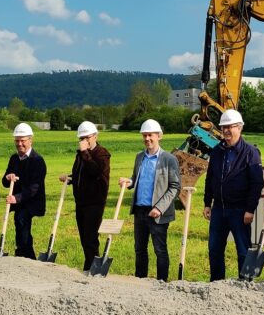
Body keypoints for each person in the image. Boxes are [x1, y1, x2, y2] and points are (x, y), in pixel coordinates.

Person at [203, 109, 264, 281]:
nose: (226, 131)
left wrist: (250, 209)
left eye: (230, 127)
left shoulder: (250, 152)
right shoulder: (216, 152)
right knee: (214, 249)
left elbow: (257, 183)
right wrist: (208, 203)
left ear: (240, 128)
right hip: (219, 209)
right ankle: (216, 284)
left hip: (240, 210)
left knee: (243, 251)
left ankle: (245, 284)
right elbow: (210, 178)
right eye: (224, 128)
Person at [121, 119, 181, 281]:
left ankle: (162, 283)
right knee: (139, 249)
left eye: (150, 135)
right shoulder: (139, 157)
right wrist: (129, 182)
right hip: (140, 211)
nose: (147, 138)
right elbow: (136, 178)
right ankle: (140, 281)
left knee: (159, 250)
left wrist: (159, 208)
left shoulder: (169, 159)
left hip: (158, 213)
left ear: (159, 136)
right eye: (145, 135)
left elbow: (175, 187)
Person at [64, 121, 111, 271]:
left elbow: (96, 172)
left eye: (87, 137)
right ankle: (89, 264)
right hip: (81, 201)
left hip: (95, 201)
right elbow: (83, 174)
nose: (84, 141)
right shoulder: (81, 155)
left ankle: (92, 267)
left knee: (91, 237)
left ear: (95, 136)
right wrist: (71, 178)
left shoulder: (102, 153)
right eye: (81, 138)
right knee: (84, 237)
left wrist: (85, 153)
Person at [2, 122, 47, 259]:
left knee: (21, 219)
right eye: (17, 141)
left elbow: (34, 189)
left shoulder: (37, 161)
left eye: (23, 141)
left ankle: (27, 255)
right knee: (19, 221)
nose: (19, 144)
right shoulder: (14, 159)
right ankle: (22, 252)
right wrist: (8, 177)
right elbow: (5, 182)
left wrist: (17, 198)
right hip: (20, 201)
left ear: (30, 140)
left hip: (33, 201)